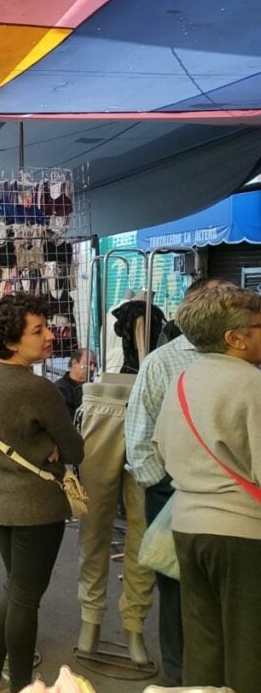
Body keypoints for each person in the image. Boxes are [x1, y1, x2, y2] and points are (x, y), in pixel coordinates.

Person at [0, 294, 84, 693]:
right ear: (12, 342)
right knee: (25, 596)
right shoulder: (38, 389)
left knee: (14, 587)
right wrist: (50, 443)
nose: (49, 336)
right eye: (38, 331)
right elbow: (75, 450)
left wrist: (45, 441)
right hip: (36, 507)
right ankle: (21, 685)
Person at [152, 285, 261, 692]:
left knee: (203, 643)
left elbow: (160, 447)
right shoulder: (252, 384)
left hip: (187, 527)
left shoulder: (182, 380)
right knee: (249, 648)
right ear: (235, 338)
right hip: (244, 533)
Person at [124, 276, 230, 686]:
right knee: (176, 589)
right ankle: (179, 677)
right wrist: (166, 488)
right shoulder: (161, 362)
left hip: (233, 501)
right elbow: (139, 441)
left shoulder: (245, 362)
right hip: (174, 495)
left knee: (229, 595)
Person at [54, 348, 96, 420]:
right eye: (89, 364)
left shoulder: (94, 387)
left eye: (95, 365)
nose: (93, 369)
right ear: (74, 363)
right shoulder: (60, 389)